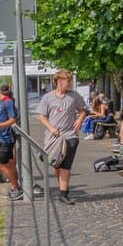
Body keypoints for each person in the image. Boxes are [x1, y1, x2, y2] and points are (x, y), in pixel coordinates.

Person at [36, 69, 88, 205]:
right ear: (60, 82)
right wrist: (51, 128)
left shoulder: (74, 96)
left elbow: (83, 110)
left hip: (70, 135)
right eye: (68, 81)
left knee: (66, 164)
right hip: (54, 137)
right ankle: (62, 188)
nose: (70, 84)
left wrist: (80, 119)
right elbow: (41, 116)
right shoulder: (48, 98)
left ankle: (64, 193)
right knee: (57, 163)